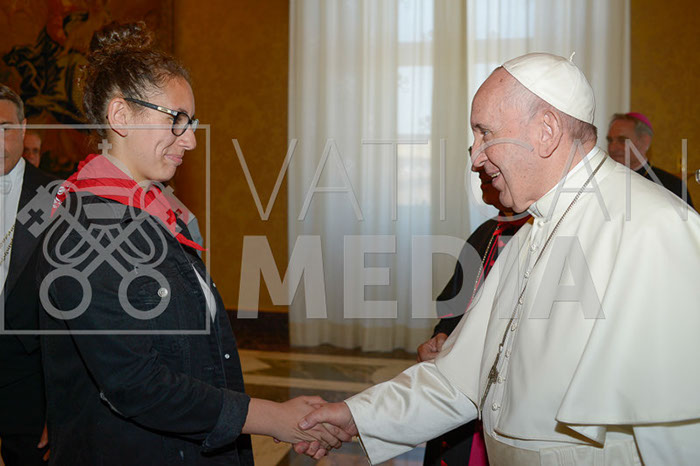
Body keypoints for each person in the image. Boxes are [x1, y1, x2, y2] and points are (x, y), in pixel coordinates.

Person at [296, 53, 700, 464]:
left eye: (485, 133)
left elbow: (679, 438)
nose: (475, 157)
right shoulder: (532, 232)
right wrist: (356, 417)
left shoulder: (655, 227)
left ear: (546, 131)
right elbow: (459, 381)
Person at [37, 22, 347, 465]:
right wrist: (272, 417)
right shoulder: (86, 231)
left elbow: (194, 355)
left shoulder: (159, 210)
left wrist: (273, 416)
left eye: (192, 123)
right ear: (120, 116)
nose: (192, 139)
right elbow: (137, 385)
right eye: (176, 120)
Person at [418, 166, 529, 466]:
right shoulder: (486, 232)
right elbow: (455, 303)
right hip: (461, 386)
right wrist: (441, 336)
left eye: (488, 158)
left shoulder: (538, 234)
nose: (477, 167)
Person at [0, 85, 54, 465]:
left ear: (23, 128)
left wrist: (60, 404)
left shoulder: (54, 196)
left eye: (4, 128)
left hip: (29, 374)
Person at [606, 112, 693, 207]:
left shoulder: (672, 186)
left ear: (644, 141)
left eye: (622, 140)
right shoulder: (603, 180)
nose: (612, 148)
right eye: (610, 140)